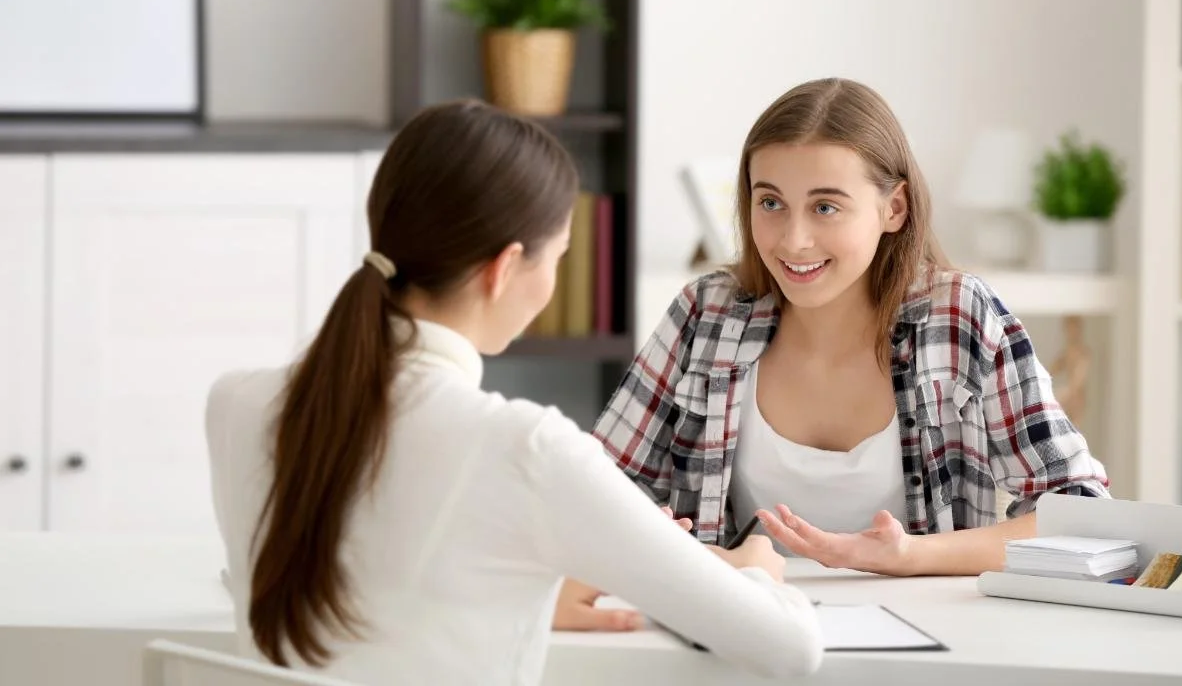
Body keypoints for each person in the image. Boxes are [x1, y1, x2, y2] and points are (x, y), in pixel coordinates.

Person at [204, 99, 823, 686]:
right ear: (503, 270)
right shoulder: (528, 448)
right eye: (557, 257)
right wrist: (759, 573)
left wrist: (533, 588)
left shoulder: (234, 405)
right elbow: (790, 648)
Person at [589, 77, 1110, 583]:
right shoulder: (706, 314)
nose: (794, 240)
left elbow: (1079, 514)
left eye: (825, 207)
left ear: (894, 208)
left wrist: (911, 556)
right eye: (770, 202)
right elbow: (592, 495)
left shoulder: (959, 317)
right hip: (744, 634)